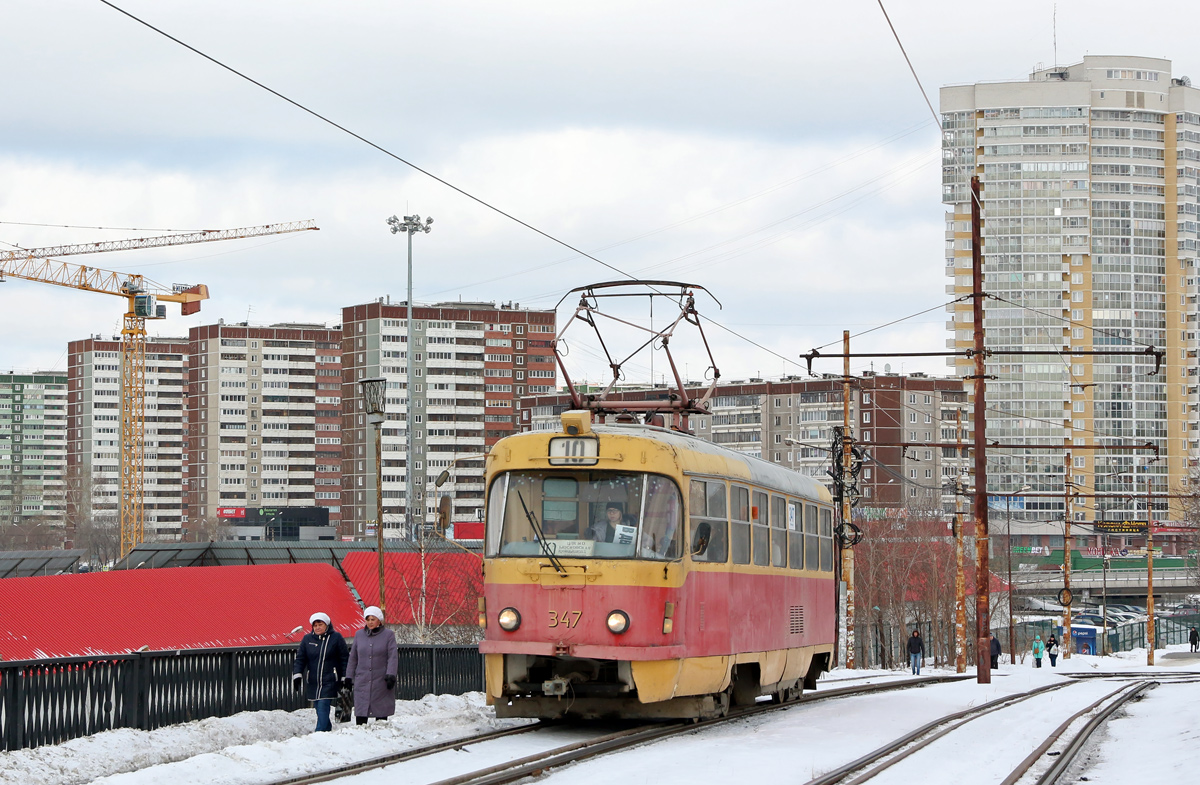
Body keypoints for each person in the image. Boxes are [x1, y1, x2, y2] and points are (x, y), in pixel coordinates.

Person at [292, 612, 349, 732]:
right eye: (315, 625)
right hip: (313, 680)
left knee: (323, 705)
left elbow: (344, 658)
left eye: (320, 624)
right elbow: (300, 658)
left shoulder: (336, 638)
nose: (317, 627)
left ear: (326, 625)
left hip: (330, 679)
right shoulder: (307, 639)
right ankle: (326, 730)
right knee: (318, 707)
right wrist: (297, 675)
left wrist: (345, 676)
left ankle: (319, 732)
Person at [346, 606, 398, 725]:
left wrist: (391, 674)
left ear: (379, 620)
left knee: (381, 710)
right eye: (368, 619)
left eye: (373, 619)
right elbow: (353, 657)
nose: (370, 622)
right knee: (361, 710)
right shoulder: (359, 635)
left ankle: (381, 733)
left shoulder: (388, 635)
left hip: (380, 679)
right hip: (362, 679)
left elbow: (392, 657)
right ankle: (361, 735)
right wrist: (349, 676)